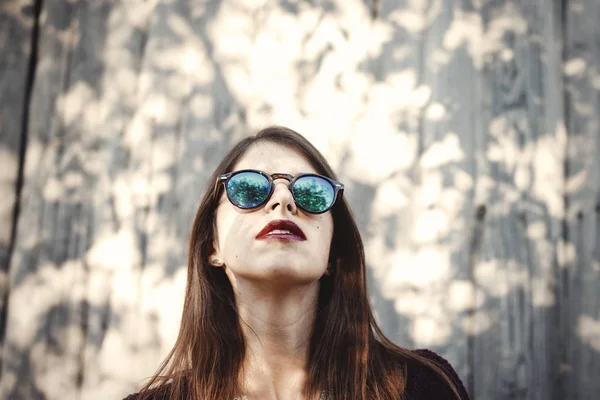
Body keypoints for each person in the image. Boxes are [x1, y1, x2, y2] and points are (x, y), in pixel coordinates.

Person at [123, 126, 469, 400]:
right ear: (212, 245)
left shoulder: (424, 387)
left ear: (334, 252)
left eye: (311, 192)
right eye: (249, 188)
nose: (283, 199)